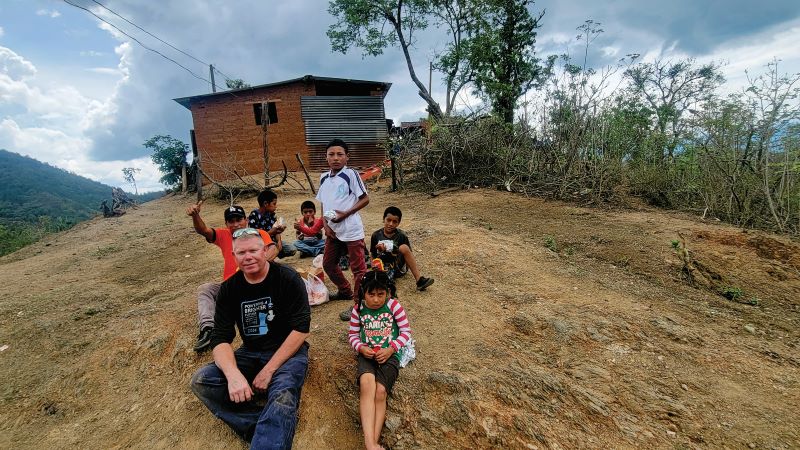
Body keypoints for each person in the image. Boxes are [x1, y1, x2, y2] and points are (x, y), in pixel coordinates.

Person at [190, 228, 311, 449]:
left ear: (265, 250)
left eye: (253, 250)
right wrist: (233, 374)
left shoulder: (288, 278)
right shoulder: (229, 289)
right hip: (250, 352)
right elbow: (221, 338)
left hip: (287, 353)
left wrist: (269, 370)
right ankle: (264, 425)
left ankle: (270, 432)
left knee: (282, 395)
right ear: (233, 256)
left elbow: (301, 329)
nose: (248, 257)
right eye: (241, 252)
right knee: (202, 380)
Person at [187, 201, 277, 352]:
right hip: (230, 286)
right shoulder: (224, 235)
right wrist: (195, 215)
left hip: (254, 283)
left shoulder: (259, 234)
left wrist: (256, 266)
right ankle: (208, 329)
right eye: (231, 221)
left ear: (246, 220)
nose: (235, 224)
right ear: (226, 223)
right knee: (206, 289)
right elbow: (203, 230)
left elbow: (273, 249)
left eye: (238, 219)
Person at [346, 271, 412, 450]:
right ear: (363, 293)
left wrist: (391, 348)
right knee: (367, 385)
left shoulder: (393, 306)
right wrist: (360, 347)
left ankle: (371, 442)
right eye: (371, 294)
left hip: (389, 354)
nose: (376, 300)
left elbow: (406, 332)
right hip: (367, 354)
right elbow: (352, 335)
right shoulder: (358, 309)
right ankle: (371, 443)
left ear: (388, 293)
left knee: (380, 391)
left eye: (380, 294)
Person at [316, 139, 369, 307]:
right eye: (331, 154)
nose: (335, 158)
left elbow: (365, 198)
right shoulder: (324, 177)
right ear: (326, 157)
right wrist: (325, 224)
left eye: (340, 154)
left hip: (351, 229)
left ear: (347, 157)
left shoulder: (351, 174)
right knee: (328, 264)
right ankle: (345, 291)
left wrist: (345, 213)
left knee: (358, 269)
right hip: (333, 230)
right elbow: (324, 202)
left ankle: (359, 305)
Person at [370, 206, 434, 291]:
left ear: (398, 223)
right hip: (382, 266)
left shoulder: (401, 236)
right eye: (388, 220)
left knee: (404, 247)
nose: (391, 224)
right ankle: (386, 278)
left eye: (394, 222)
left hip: (398, 265)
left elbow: (407, 253)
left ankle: (419, 280)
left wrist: (392, 250)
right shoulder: (376, 235)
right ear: (383, 219)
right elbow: (373, 254)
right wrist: (373, 264)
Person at [248, 189, 296, 258]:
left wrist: (279, 241)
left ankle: (271, 256)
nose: (276, 206)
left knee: (291, 249)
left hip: (272, 241)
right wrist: (270, 232)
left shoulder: (272, 214)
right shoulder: (254, 215)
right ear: (265, 204)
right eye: (274, 204)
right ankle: (267, 258)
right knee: (268, 250)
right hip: (260, 244)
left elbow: (276, 230)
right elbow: (254, 238)